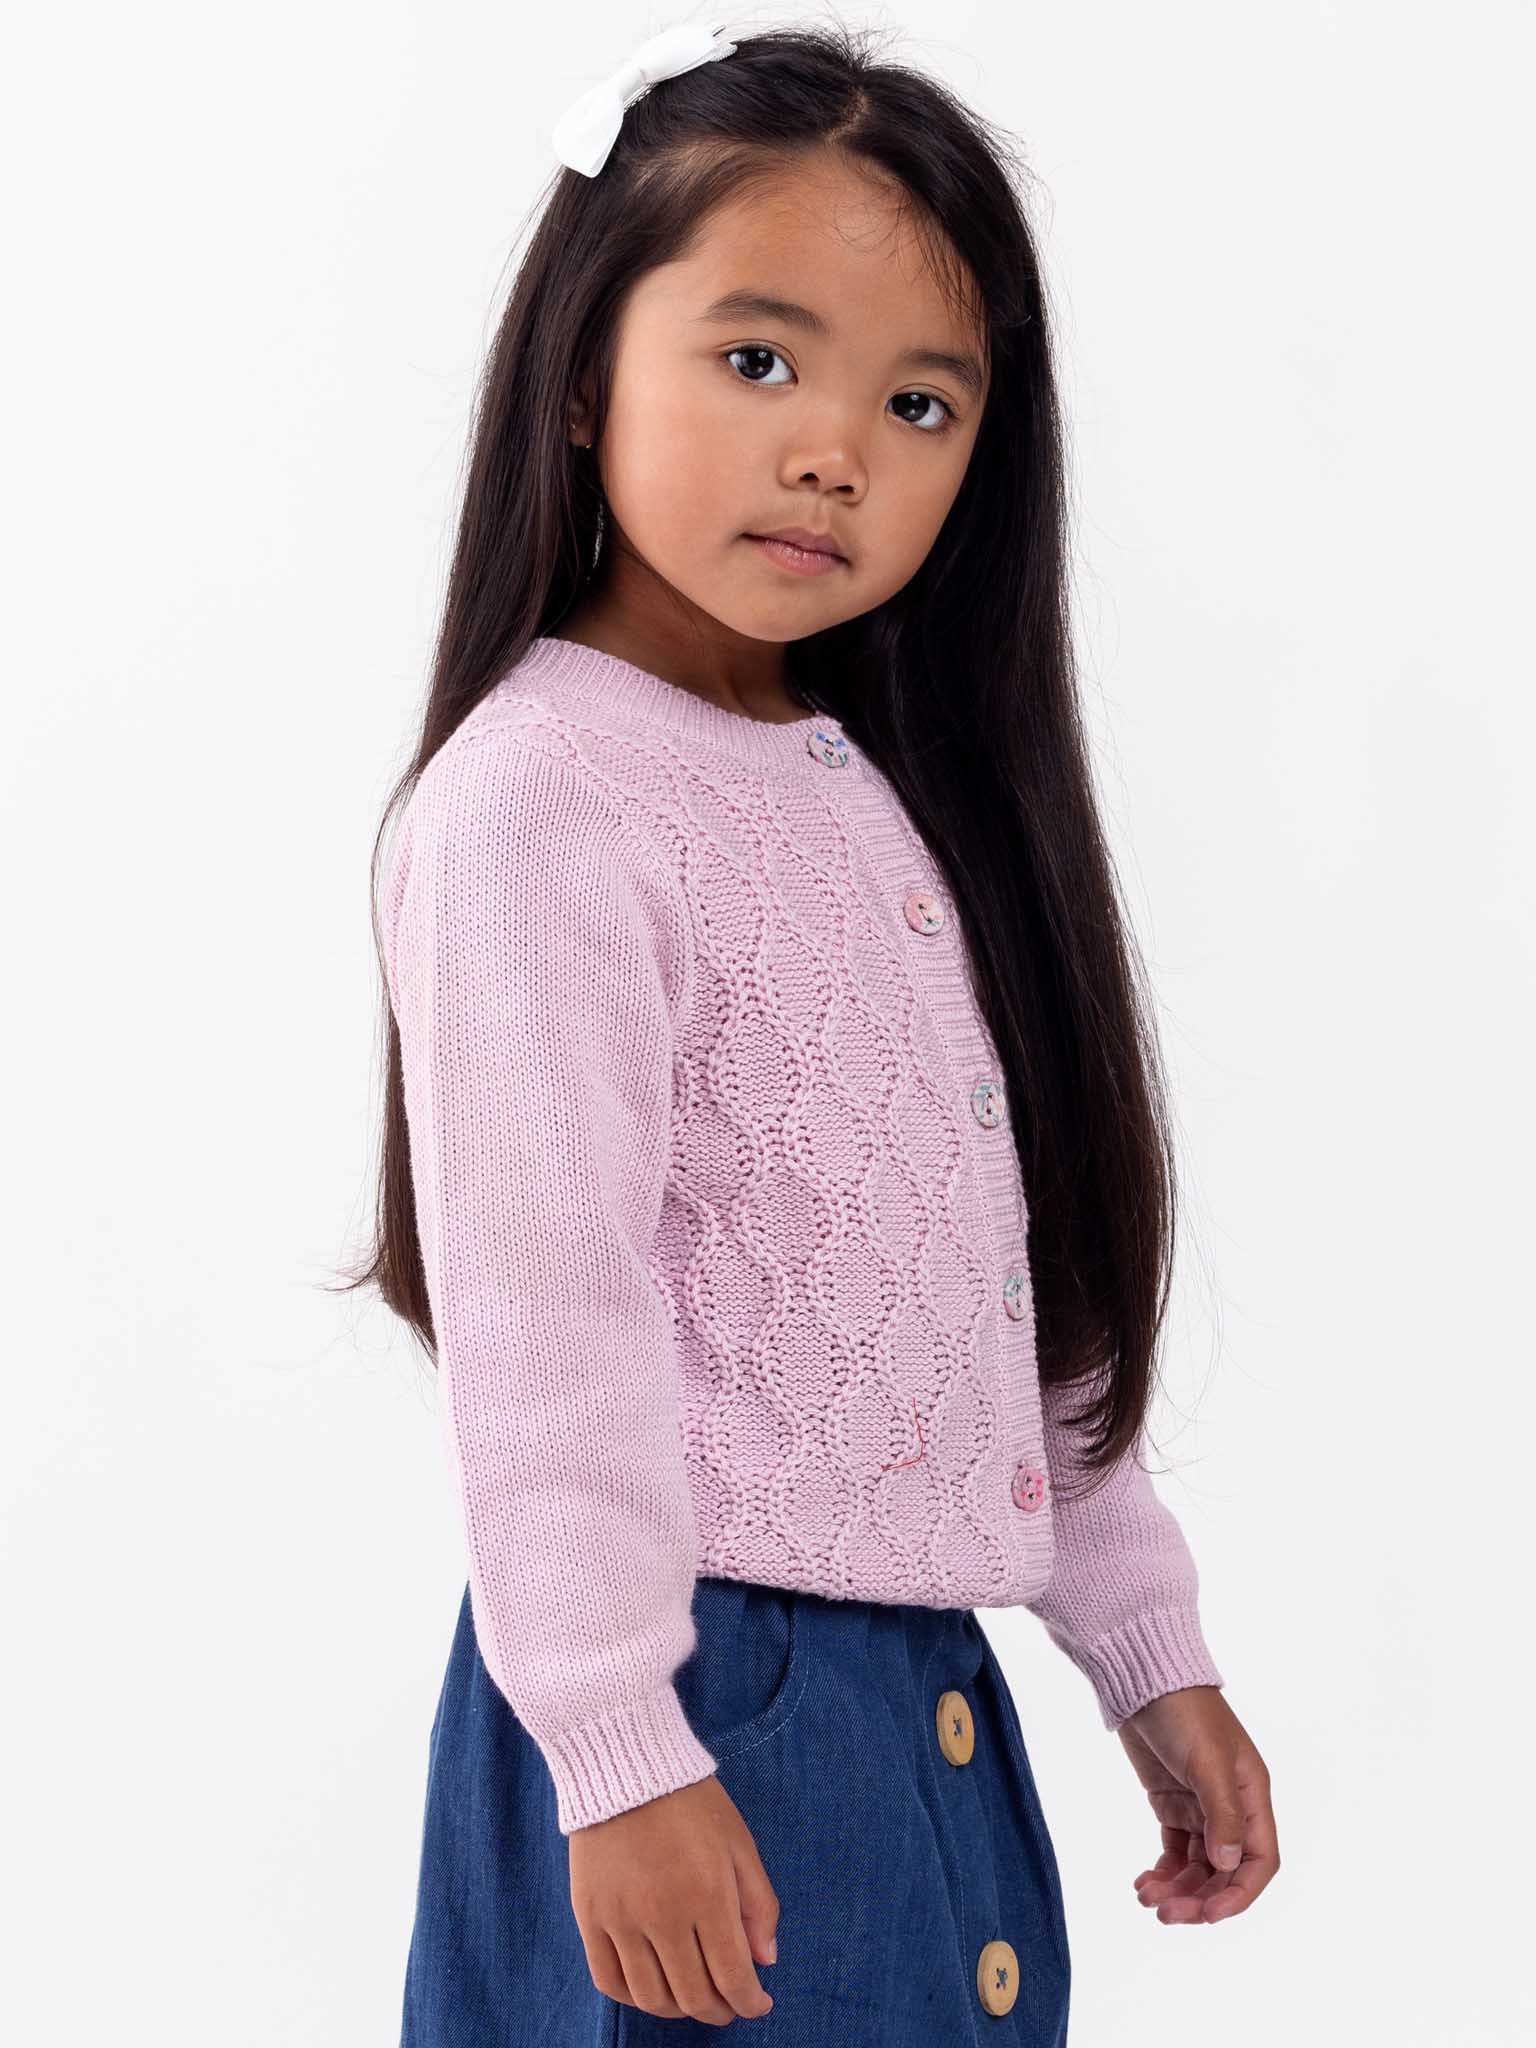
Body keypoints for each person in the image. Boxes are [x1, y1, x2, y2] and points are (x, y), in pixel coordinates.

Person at [357, 19, 1279, 2043]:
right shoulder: (540, 806)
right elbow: (549, 1322)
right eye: (758, 359)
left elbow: (984, 1270)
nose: (836, 447)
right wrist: (619, 1748)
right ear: (588, 359)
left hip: (922, 1705)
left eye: (921, 398)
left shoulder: (878, 782)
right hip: (693, 1710)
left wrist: (1143, 1638)